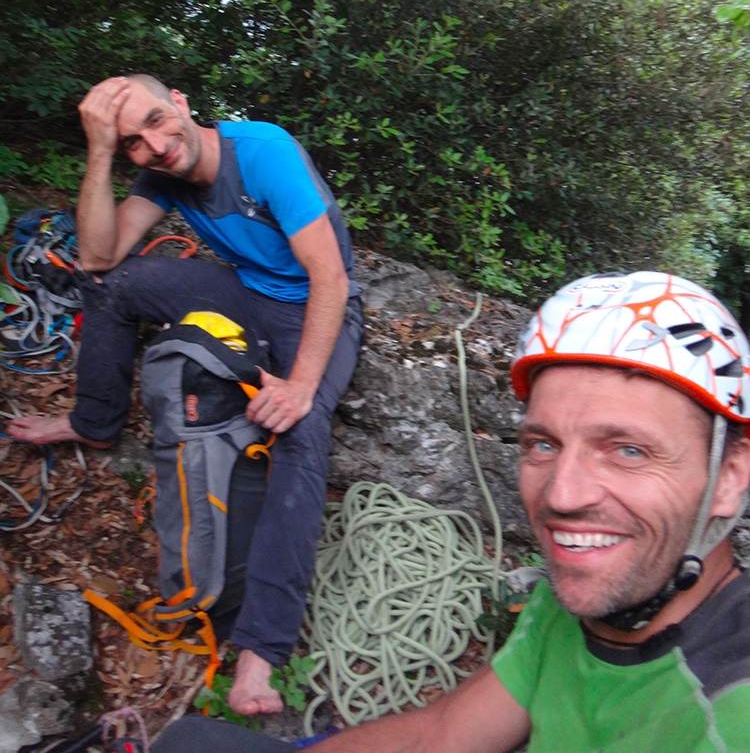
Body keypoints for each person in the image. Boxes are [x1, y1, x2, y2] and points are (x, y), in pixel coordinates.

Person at [152, 270, 750, 752]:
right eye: (543, 444)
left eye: (627, 450)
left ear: (729, 478)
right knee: (187, 740)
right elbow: (441, 734)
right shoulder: (587, 593)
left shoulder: (729, 709)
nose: (563, 497)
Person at [6, 74, 364, 718]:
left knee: (300, 432)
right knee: (115, 286)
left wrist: (303, 384)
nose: (156, 146)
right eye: (132, 144)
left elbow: (330, 275)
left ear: (182, 104)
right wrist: (98, 152)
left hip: (315, 305)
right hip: (244, 292)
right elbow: (97, 256)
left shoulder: (262, 151)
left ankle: (260, 649)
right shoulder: (156, 172)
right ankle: (95, 421)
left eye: (156, 121)